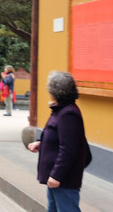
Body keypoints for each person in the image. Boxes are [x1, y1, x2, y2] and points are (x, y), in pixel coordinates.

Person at [28, 71, 91, 212]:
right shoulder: (61, 109)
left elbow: (68, 149)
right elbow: (56, 135)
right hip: (57, 178)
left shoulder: (68, 113)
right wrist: (41, 142)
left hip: (63, 179)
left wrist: (56, 175)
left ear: (55, 91)